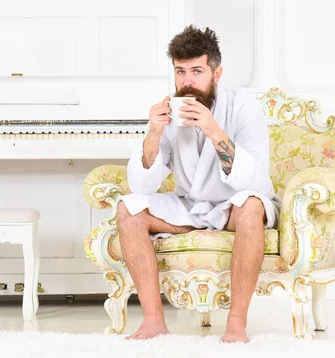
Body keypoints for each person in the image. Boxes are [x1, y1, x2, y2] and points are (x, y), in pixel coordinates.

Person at [116, 25, 281, 343]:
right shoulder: (169, 111)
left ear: (216, 74)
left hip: (234, 206)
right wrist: (153, 132)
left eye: (196, 71)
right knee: (129, 208)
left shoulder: (244, 107)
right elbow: (142, 186)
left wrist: (214, 130)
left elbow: (257, 180)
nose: (187, 81)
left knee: (252, 205)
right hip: (191, 204)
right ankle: (153, 322)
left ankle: (235, 325)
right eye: (180, 71)